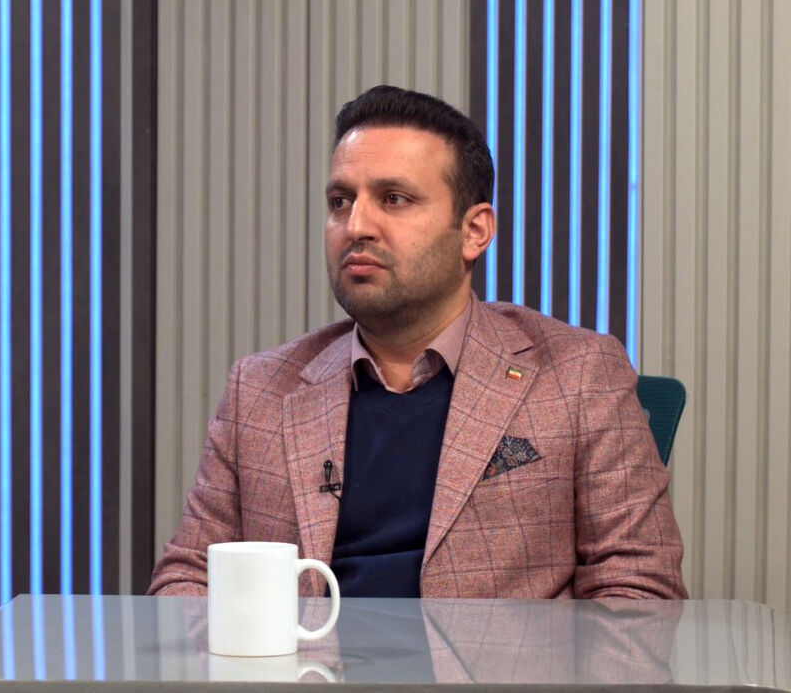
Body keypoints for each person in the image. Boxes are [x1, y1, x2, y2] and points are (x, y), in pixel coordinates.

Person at [148, 85, 686, 599]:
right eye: (340, 201)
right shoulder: (261, 389)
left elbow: (639, 590)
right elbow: (187, 577)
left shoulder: (578, 374)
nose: (356, 225)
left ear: (474, 231)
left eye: (394, 198)